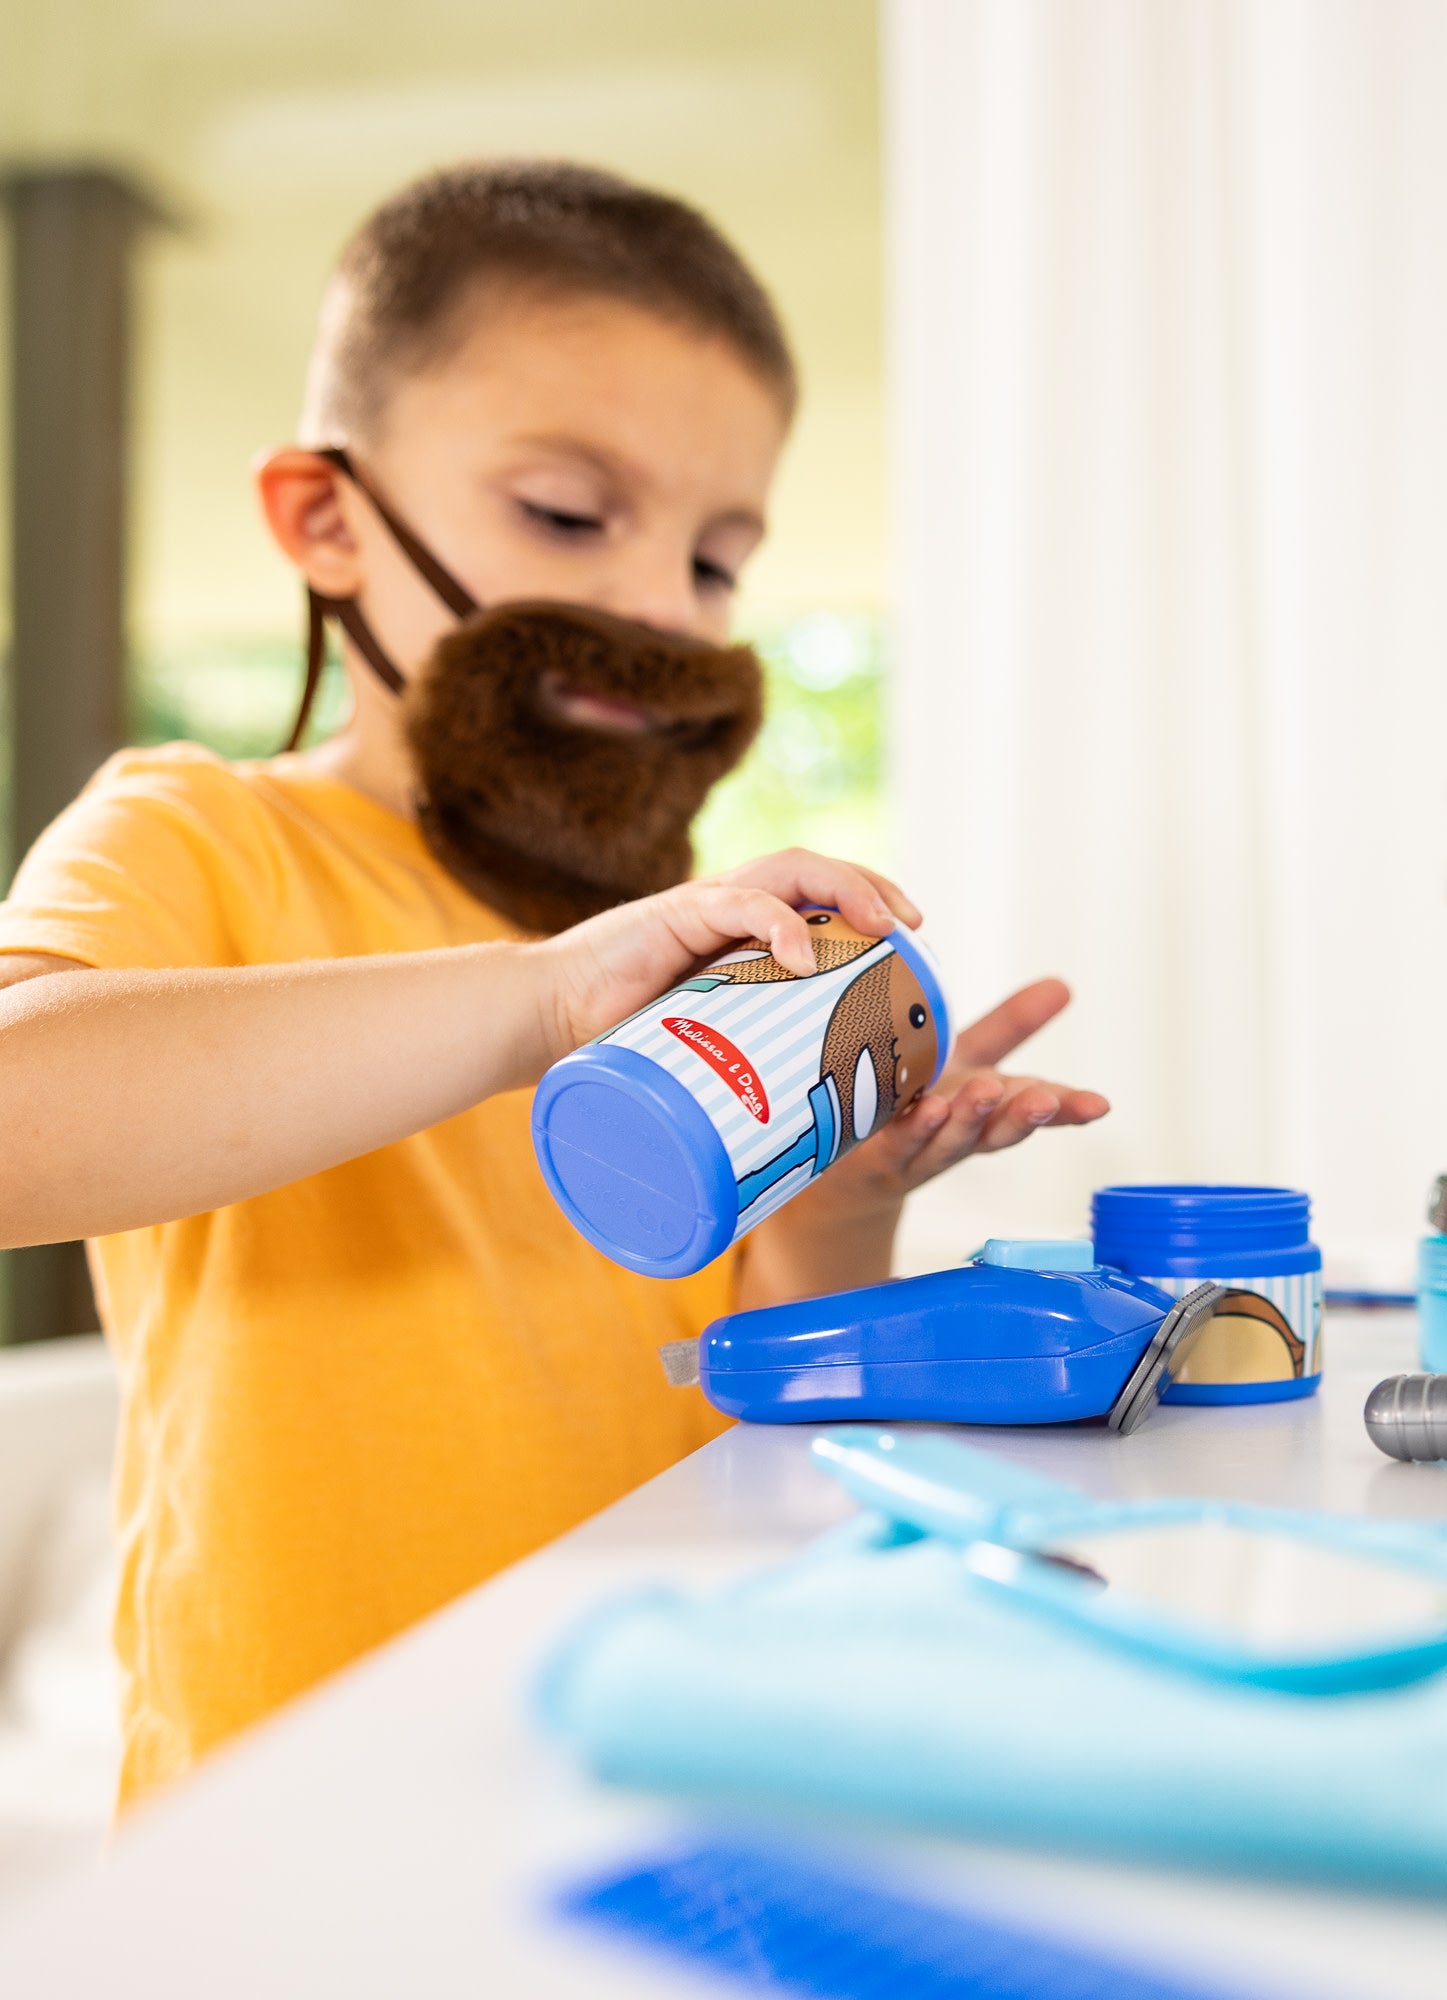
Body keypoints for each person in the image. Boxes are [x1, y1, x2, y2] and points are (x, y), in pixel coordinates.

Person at [0, 162, 1107, 1806]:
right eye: (573, 515)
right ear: (325, 521)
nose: (663, 606)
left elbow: (753, 1398)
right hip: (293, 1834)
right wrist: (540, 1000)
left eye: (720, 560)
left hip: (647, 1771)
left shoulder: (679, 937)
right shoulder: (201, 835)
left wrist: (842, 1198)